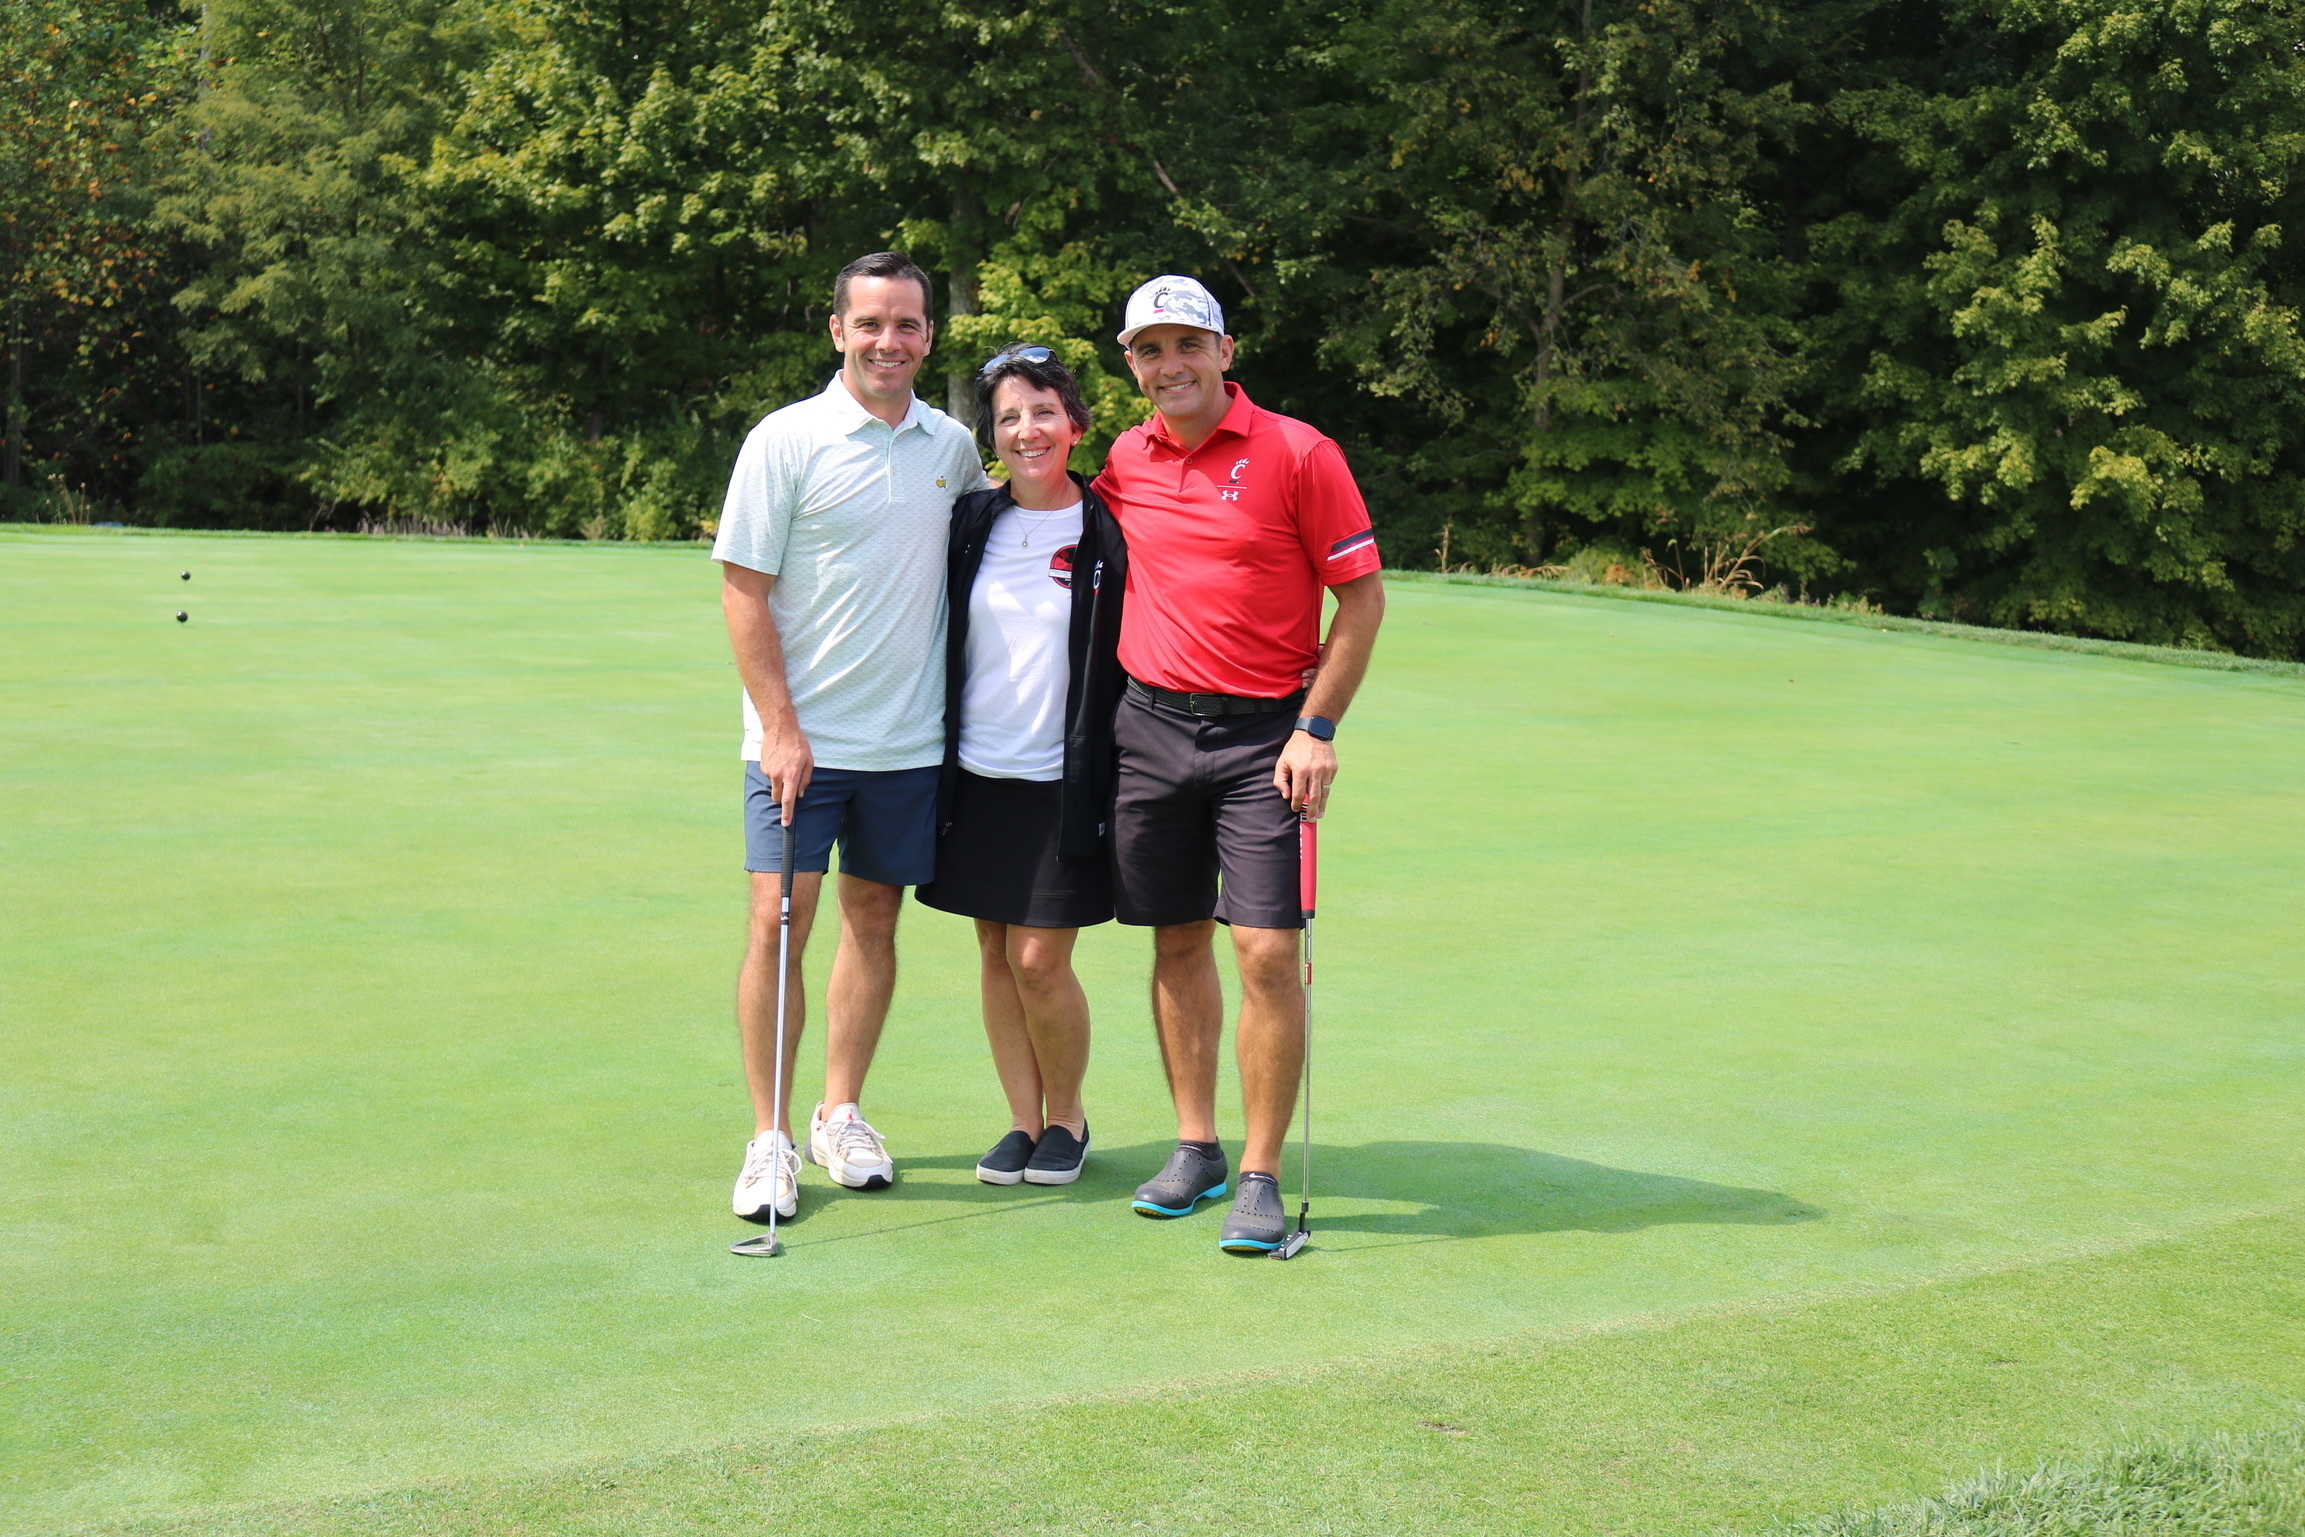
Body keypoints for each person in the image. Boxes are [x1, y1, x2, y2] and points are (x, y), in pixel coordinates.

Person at [1092, 274, 1386, 1254]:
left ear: (1225, 351)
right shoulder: (1125, 457)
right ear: (1131, 365)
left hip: (1266, 738)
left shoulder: (1298, 452)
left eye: (1188, 344)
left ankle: (1258, 1170)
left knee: (1263, 951)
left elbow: (1361, 598)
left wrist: (1318, 727)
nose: (1168, 364)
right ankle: (1196, 1146)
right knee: (1175, 939)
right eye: (1149, 349)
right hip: (1148, 729)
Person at [717, 251, 989, 1225]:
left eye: (907, 324)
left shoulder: (952, 448)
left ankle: (839, 1112)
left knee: (873, 922)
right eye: (870, 323)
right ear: (838, 330)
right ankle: (769, 1136)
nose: (888, 341)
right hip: (799, 744)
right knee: (776, 920)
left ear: (928, 335)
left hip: (907, 743)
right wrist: (782, 729)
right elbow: (742, 590)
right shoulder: (785, 440)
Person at [916, 345, 1128, 1188]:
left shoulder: (1109, 525)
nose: (1026, 430)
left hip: (1062, 783)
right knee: (996, 953)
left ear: (1073, 423)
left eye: (1042, 411)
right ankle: (1021, 1120)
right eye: (1008, 417)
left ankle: (1067, 1117)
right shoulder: (973, 520)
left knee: (1039, 960)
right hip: (974, 777)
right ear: (992, 436)